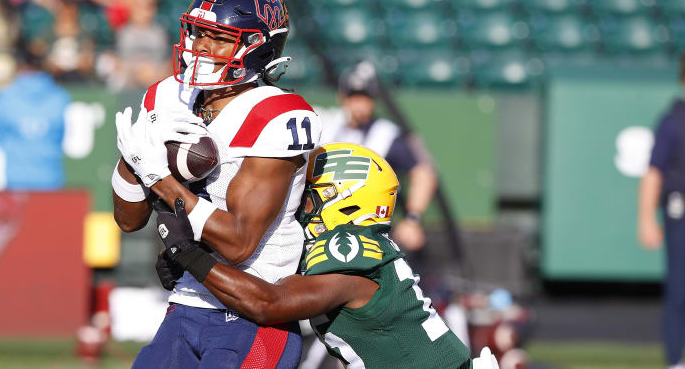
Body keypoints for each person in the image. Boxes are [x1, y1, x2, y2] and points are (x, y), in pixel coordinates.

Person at [111, 0, 321, 368]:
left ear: (256, 47)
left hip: (254, 310)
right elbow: (128, 220)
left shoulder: (278, 115)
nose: (200, 48)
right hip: (186, 304)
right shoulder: (166, 96)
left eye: (218, 37)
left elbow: (240, 243)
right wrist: (132, 158)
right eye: (197, 33)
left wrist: (159, 178)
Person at [152, 143, 499, 369]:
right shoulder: (361, 247)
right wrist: (200, 265)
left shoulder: (350, 251)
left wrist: (192, 257)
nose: (299, 206)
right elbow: (269, 274)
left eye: (308, 197)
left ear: (343, 200)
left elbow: (268, 302)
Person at [319, 61, 438, 252]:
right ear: (342, 97)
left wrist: (412, 219)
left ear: (373, 99)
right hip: (324, 224)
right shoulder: (327, 129)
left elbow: (423, 173)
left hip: (373, 230)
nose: (359, 103)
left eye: (364, 97)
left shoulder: (386, 135)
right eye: (353, 96)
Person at [638, 47, 685, 369]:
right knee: (679, 289)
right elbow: (653, 172)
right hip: (683, 212)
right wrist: (646, 218)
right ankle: (676, 361)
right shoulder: (674, 120)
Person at [0, 44, 70, 190]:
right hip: (50, 179)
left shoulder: (5, 97)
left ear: (20, 66)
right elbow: (62, 136)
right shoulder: (60, 96)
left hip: (15, 179)